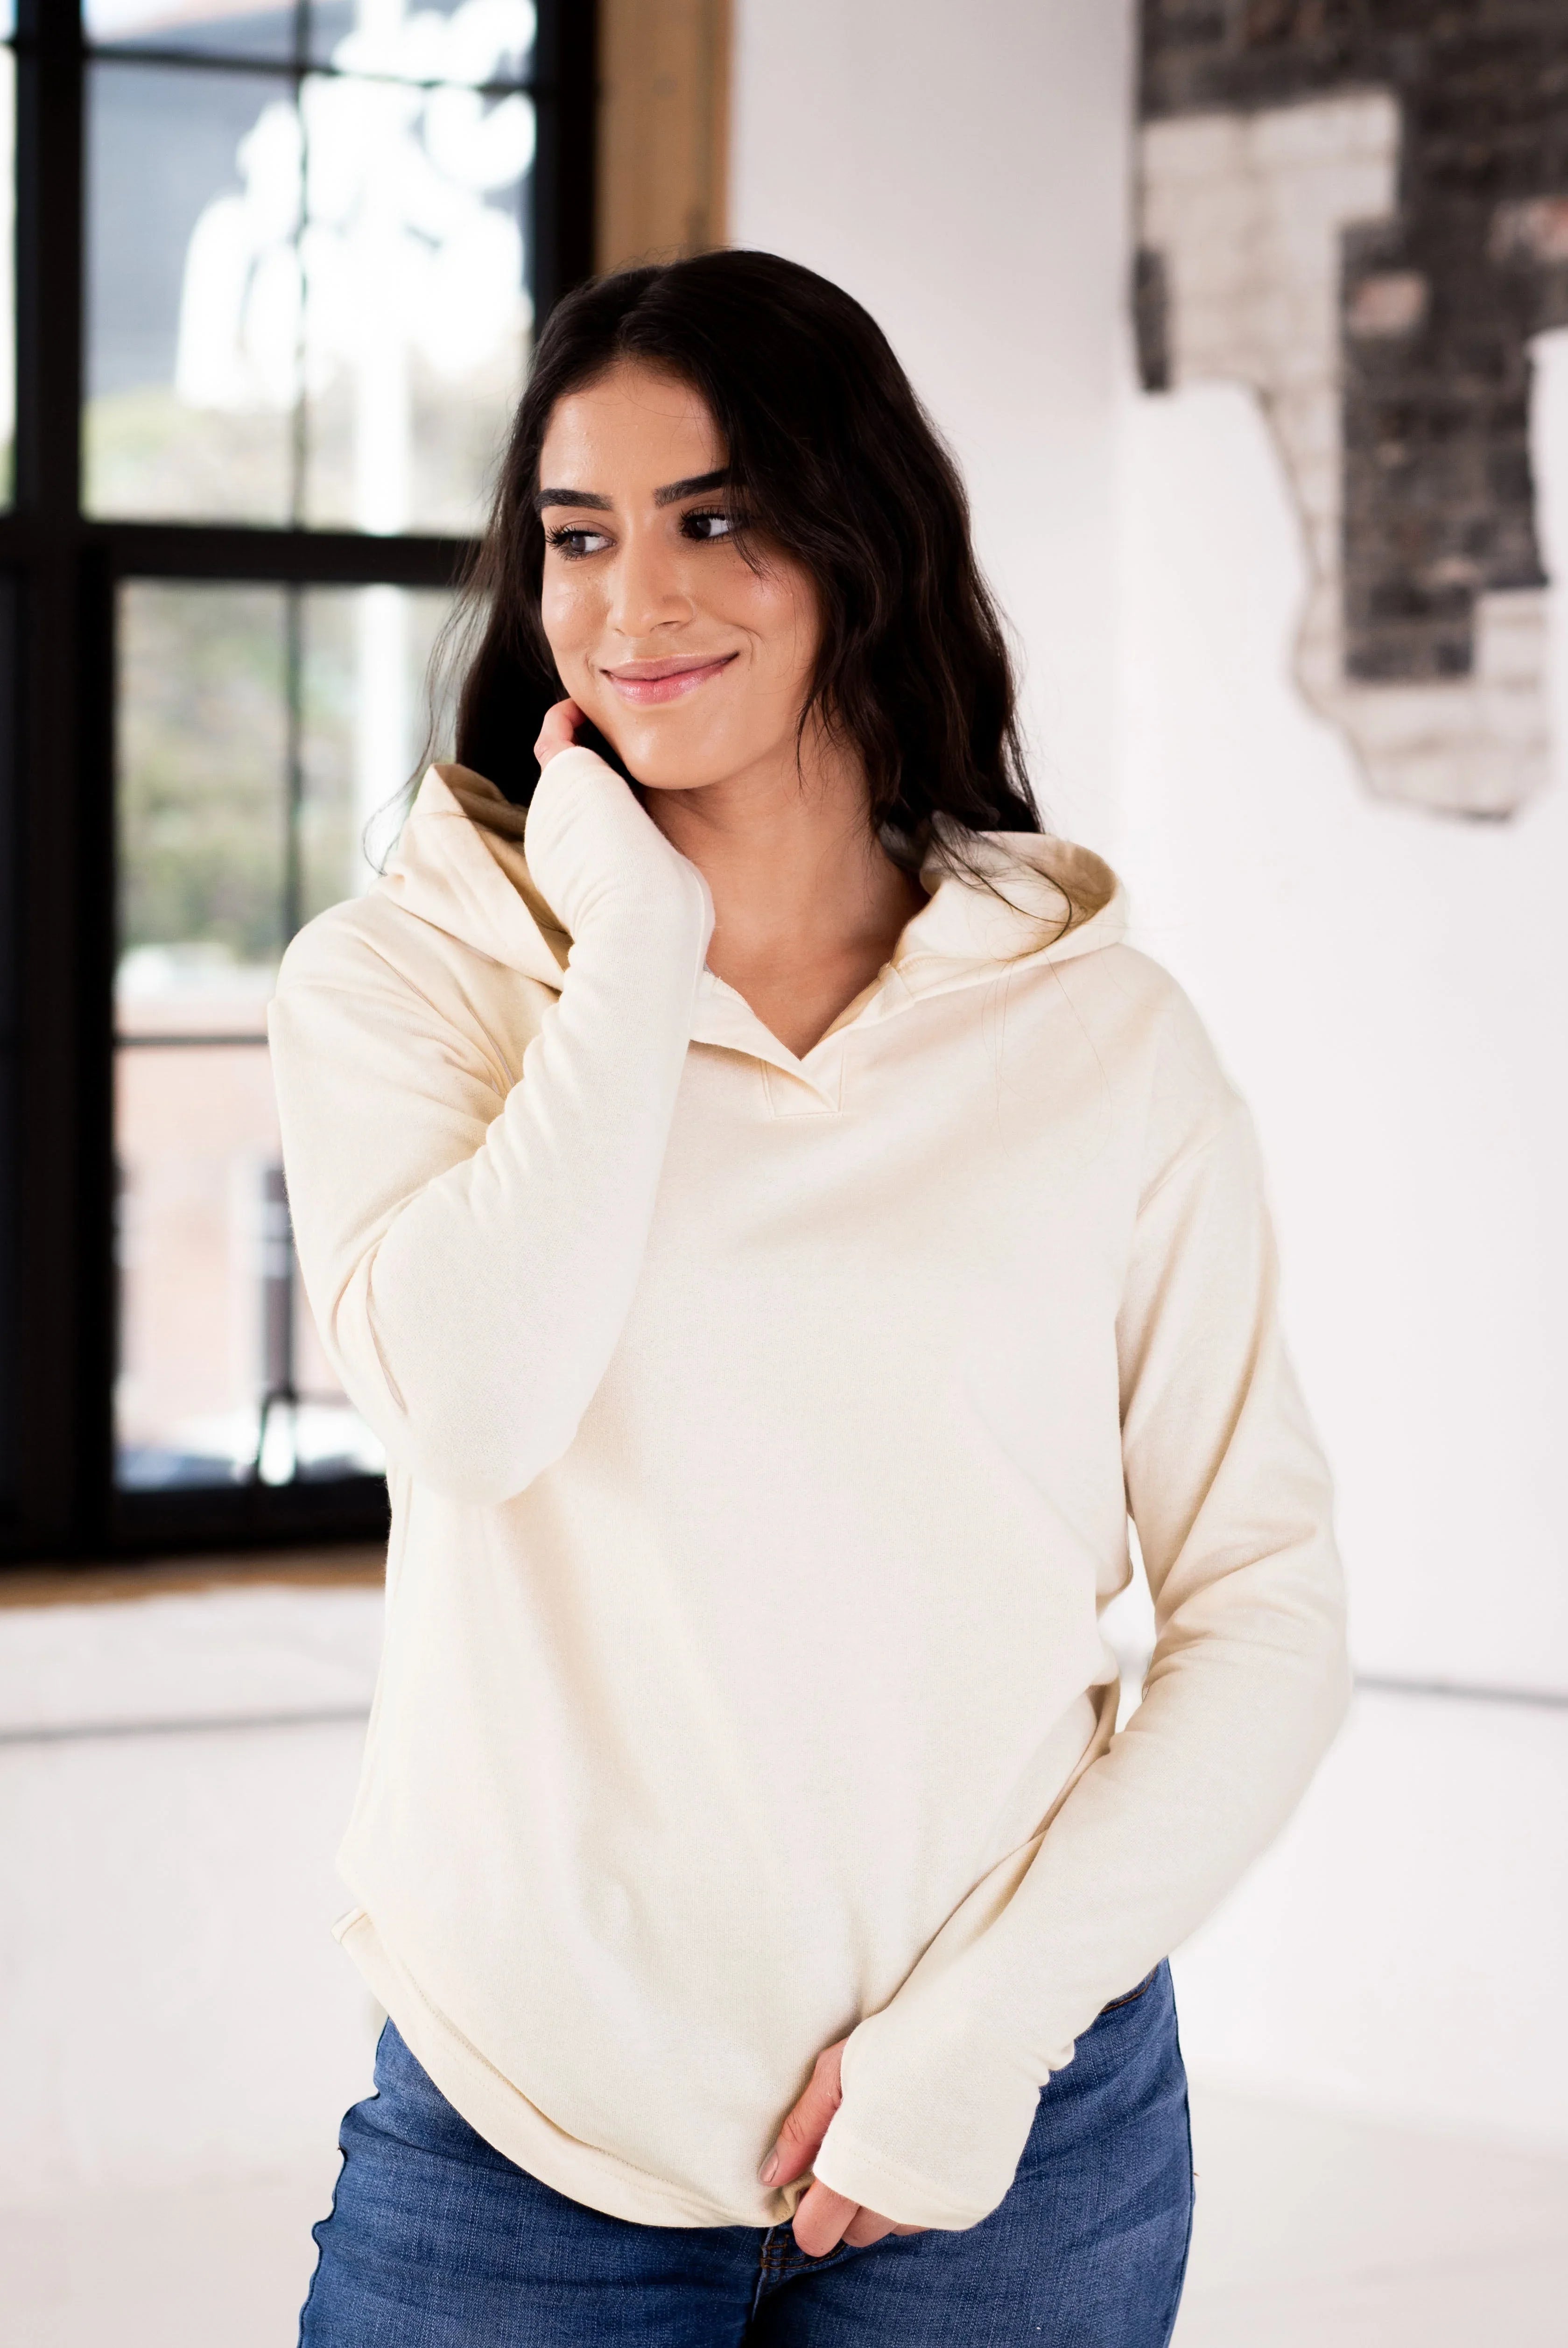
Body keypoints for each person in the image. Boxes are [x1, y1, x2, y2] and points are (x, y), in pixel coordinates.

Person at [271, 249, 1350, 2347]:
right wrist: (635, 952)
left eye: (719, 518)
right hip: (527, 2139)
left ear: (857, 546)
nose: (634, 598)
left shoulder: (1101, 1036)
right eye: (579, 536)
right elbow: (479, 1409)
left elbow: (1267, 1603)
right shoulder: (407, 990)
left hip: (1010, 2149)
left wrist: (983, 2039)